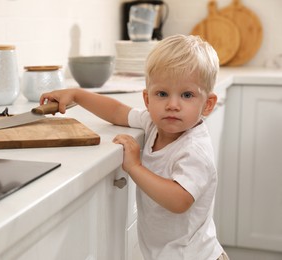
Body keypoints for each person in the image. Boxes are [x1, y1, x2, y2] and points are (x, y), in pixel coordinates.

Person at [40, 34, 228, 260]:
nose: (172, 105)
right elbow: (117, 111)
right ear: (147, 99)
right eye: (162, 94)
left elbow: (179, 200)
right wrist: (77, 95)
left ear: (207, 104)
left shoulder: (194, 148)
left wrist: (135, 167)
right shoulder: (153, 122)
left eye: (187, 95)